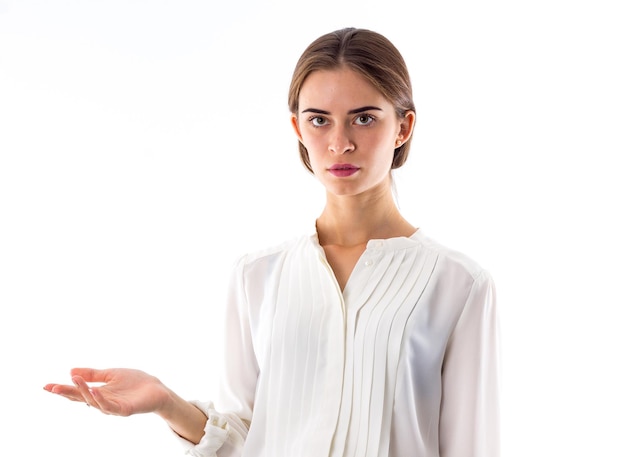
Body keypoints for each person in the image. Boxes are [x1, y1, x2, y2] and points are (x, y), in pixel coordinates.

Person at [44, 27, 501, 457]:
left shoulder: (459, 285)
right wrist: (166, 402)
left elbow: (471, 447)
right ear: (299, 129)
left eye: (364, 118)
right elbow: (241, 437)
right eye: (319, 120)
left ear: (403, 127)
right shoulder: (257, 276)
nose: (339, 143)